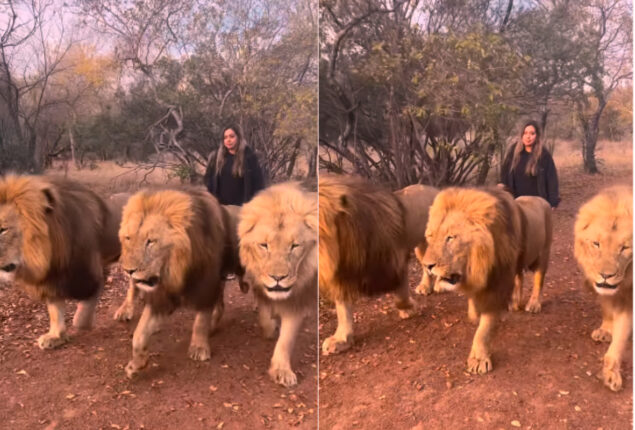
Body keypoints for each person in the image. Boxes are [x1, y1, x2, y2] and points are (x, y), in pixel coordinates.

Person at [500, 120, 560, 208]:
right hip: (516, 203)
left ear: (537, 136)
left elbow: (552, 180)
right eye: (525, 133)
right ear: (521, 135)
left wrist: (552, 203)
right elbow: (504, 176)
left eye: (532, 133)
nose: (528, 136)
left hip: (537, 205)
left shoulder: (544, 155)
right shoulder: (513, 152)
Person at [204, 125, 265, 206]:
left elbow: (258, 184)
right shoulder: (217, 157)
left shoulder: (249, 157)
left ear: (239, 138)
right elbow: (209, 180)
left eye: (231, 136)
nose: (228, 140)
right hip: (221, 208)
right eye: (225, 137)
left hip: (242, 208)